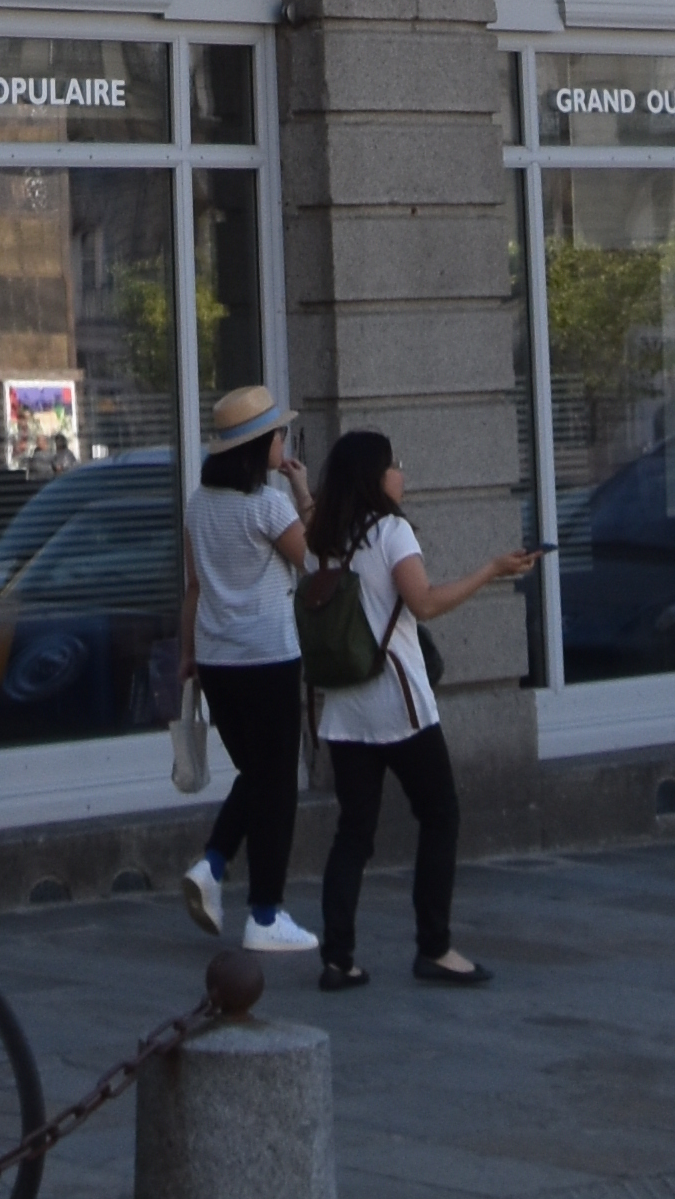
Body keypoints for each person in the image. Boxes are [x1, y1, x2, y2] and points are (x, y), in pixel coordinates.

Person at [304, 423, 532, 990]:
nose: (401, 471)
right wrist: (491, 571)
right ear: (376, 476)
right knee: (440, 815)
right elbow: (424, 604)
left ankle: (338, 958)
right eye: (394, 462)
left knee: (353, 832)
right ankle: (435, 947)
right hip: (399, 704)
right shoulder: (391, 532)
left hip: (344, 708)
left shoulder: (323, 538)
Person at [175, 382, 316, 957]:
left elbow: (192, 589)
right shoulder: (268, 504)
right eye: (280, 434)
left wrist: (186, 658)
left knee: (257, 774)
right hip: (269, 655)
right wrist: (302, 487)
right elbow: (315, 558)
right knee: (276, 783)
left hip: (216, 658)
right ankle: (265, 912)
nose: (285, 440)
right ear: (262, 446)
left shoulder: (199, 504)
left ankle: (213, 865)